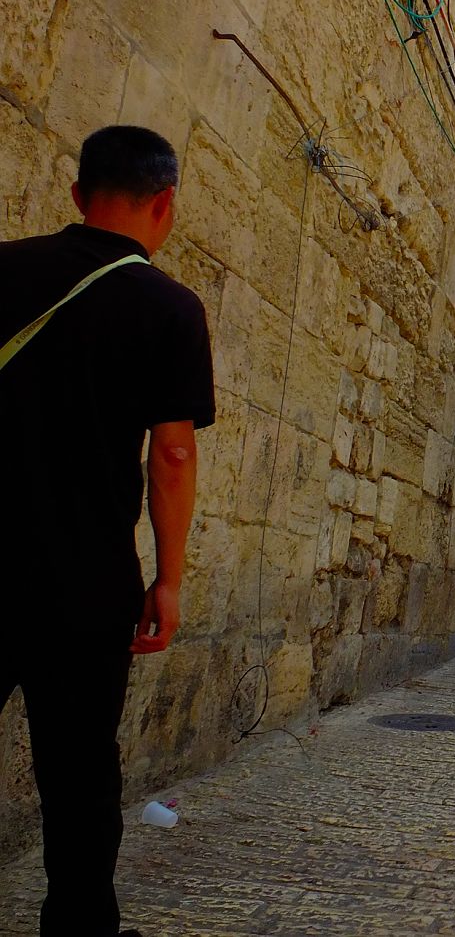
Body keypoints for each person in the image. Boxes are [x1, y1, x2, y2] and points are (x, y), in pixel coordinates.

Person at [0, 125, 215, 937]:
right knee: (80, 769)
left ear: (76, 194)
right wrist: (169, 578)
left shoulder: (4, 268)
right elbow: (173, 453)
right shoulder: (170, 309)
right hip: (85, 580)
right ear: (165, 204)